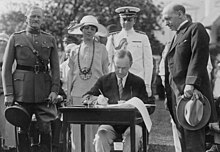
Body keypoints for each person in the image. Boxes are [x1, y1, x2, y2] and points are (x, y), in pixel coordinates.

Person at [2, 6, 60, 152]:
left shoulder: (50, 39)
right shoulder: (16, 38)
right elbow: (6, 68)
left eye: (38, 17)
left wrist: (54, 90)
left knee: (46, 128)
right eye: (33, 16)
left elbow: (55, 68)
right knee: (22, 128)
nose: (35, 19)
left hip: (44, 92)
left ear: (42, 19)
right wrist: (9, 93)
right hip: (22, 91)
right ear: (27, 18)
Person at [162, 3, 217, 152]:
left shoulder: (196, 29)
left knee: (194, 142)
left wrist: (190, 84)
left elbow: (199, 57)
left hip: (192, 97)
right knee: (183, 142)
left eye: (168, 18)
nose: (165, 23)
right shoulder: (176, 36)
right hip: (177, 98)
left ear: (180, 14)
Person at [83, 49, 149, 152]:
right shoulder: (104, 80)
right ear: (113, 64)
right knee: (101, 136)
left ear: (130, 64)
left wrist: (137, 107)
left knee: (133, 136)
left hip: (132, 123)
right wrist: (97, 99)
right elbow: (86, 97)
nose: (120, 71)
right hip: (109, 124)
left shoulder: (138, 82)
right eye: (117, 67)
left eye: (124, 68)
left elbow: (148, 105)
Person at [66, 15, 109, 152]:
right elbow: (70, 74)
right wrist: (68, 95)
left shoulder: (102, 49)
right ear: (81, 30)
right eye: (86, 28)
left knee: (94, 131)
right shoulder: (74, 50)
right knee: (77, 131)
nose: (89, 31)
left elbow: (106, 73)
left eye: (92, 28)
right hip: (77, 94)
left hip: (95, 96)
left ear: (96, 31)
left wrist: (106, 95)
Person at [106, 6, 153, 97]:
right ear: (120, 20)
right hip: (117, 81)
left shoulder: (142, 38)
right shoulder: (113, 38)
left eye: (129, 20)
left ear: (134, 21)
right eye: (124, 19)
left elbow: (148, 63)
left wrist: (147, 84)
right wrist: (108, 82)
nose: (126, 22)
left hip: (137, 79)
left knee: (136, 109)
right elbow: (108, 62)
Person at [0, 33, 16, 151]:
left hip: (6, 94)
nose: (1, 43)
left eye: (3, 41)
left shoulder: (11, 58)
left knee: (8, 122)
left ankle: (10, 146)